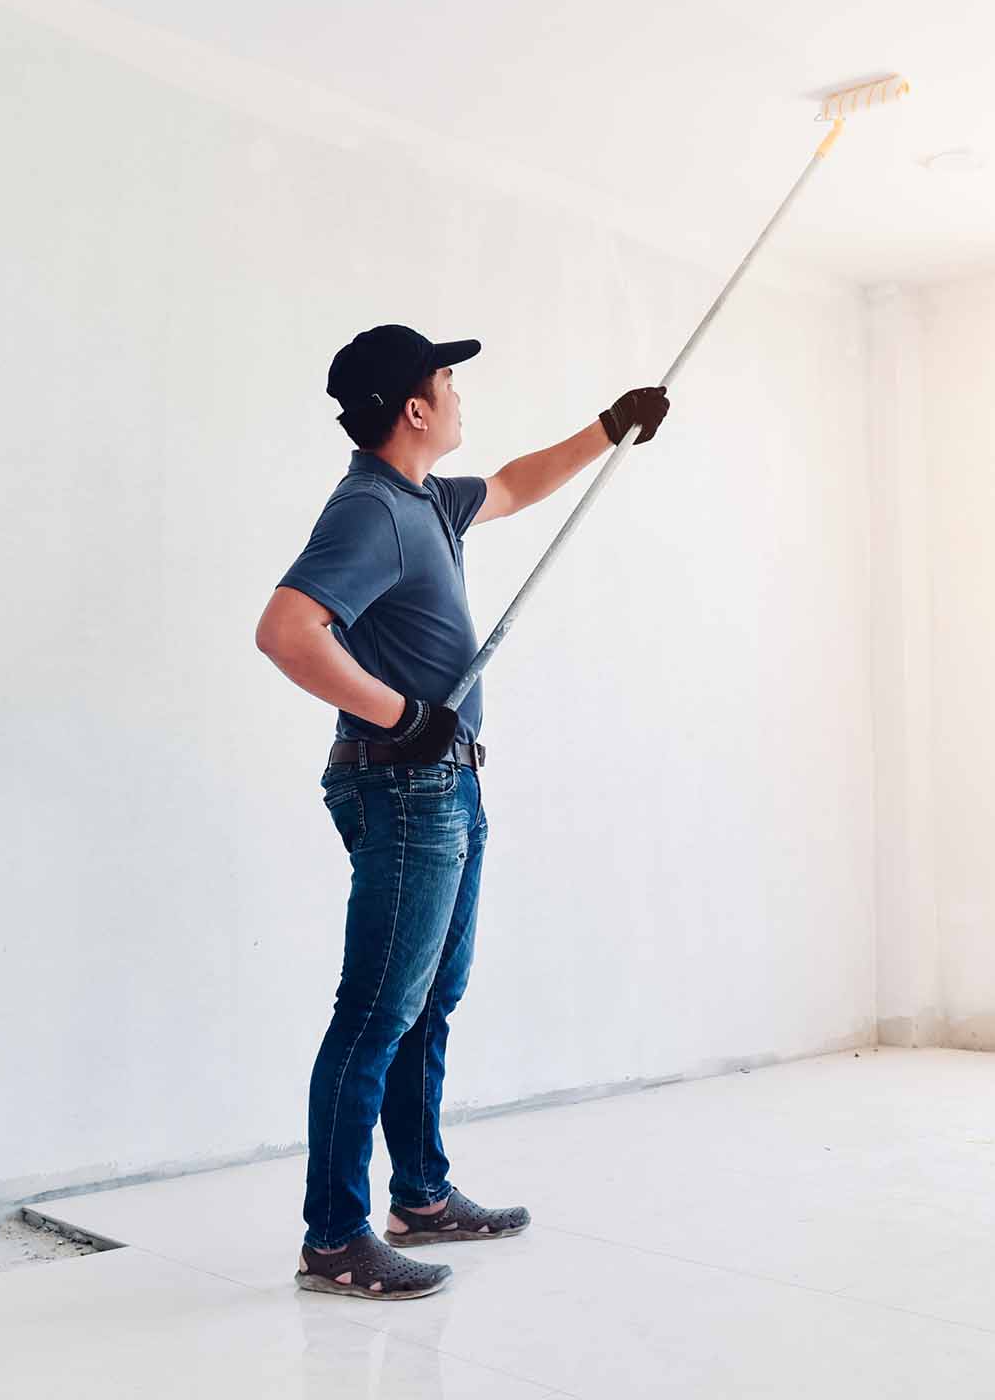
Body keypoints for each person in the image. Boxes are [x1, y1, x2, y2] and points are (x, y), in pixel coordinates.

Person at [254, 323, 670, 1300]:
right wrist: (403, 716)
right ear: (414, 408)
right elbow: (284, 629)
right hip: (406, 784)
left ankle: (423, 1196)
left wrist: (609, 427)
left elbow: (518, 484)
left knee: (428, 1002)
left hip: (446, 784)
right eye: (448, 379)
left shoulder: (425, 501)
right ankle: (333, 1238)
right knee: (376, 1013)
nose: (458, 392)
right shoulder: (371, 513)